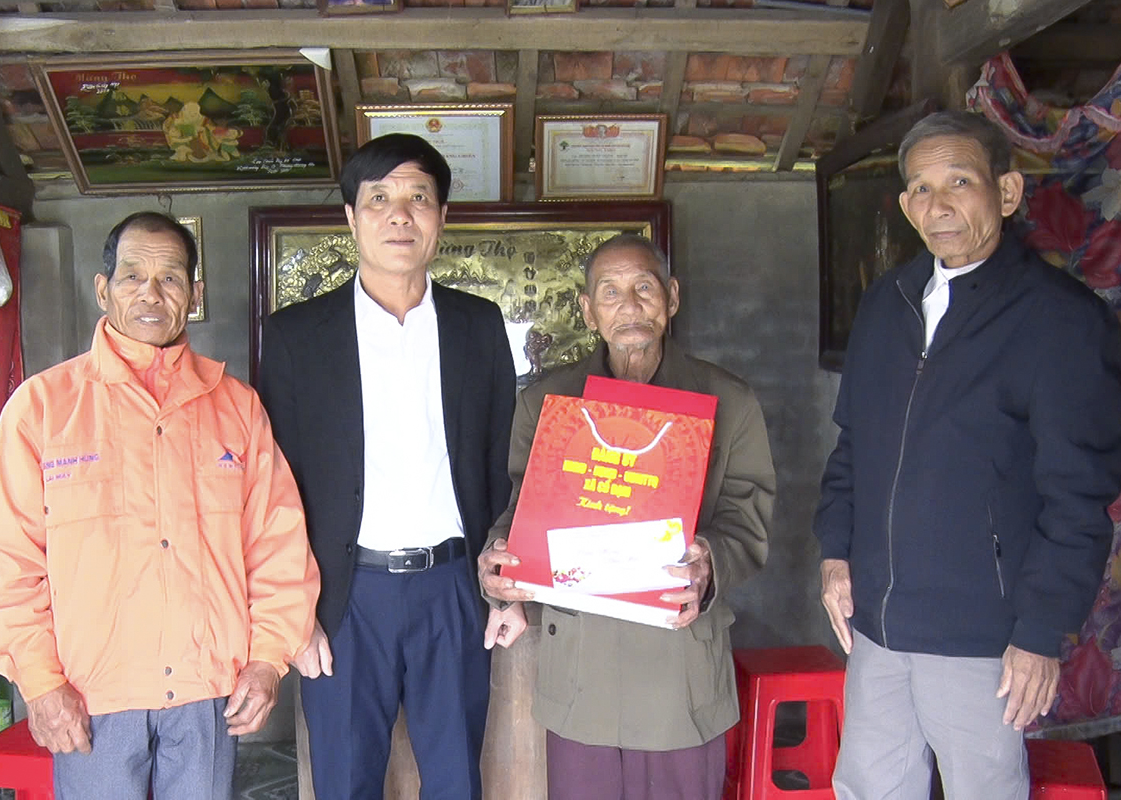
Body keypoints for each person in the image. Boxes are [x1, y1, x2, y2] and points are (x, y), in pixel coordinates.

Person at [814, 110, 1121, 799]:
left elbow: (1078, 498)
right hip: (878, 626)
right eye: (922, 189)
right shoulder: (886, 305)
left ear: (1006, 193)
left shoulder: (1060, 320)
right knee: (867, 789)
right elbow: (853, 445)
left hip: (984, 638)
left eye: (960, 181)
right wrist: (835, 554)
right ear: (905, 206)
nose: (939, 205)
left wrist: (1040, 633)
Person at [0, 211, 321, 800]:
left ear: (195, 295)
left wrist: (267, 659)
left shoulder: (237, 408)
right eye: (132, 276)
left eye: (170, 279)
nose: (150, 294)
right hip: (90, 696)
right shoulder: (42, 409)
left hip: (207, 692)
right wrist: (40, 682)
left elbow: (277, 545)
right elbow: (9, 566)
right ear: (102, 289)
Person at [258, 133, 515, 800]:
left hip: (453, 589)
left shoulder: (478, 325)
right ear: (351, 218)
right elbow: (272, 489)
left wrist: (505, 585)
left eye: (418, 198)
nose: (400, 215)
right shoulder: (296, 337)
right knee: (345, 782)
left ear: (441, 217)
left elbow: (500, 462)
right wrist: (295, 614)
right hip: (345, 597)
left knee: (457, 780)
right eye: (379, 199)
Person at [479, 234, 776, 800]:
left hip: (678, 669)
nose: (630, 305)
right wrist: (499, 565)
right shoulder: (548, 402)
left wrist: (710, 562)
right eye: (610, 292)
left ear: (672, 297)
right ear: (588, 311)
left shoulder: (729, 401)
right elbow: (520, 511)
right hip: (581, 668)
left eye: (644, 287)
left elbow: (749, 515)